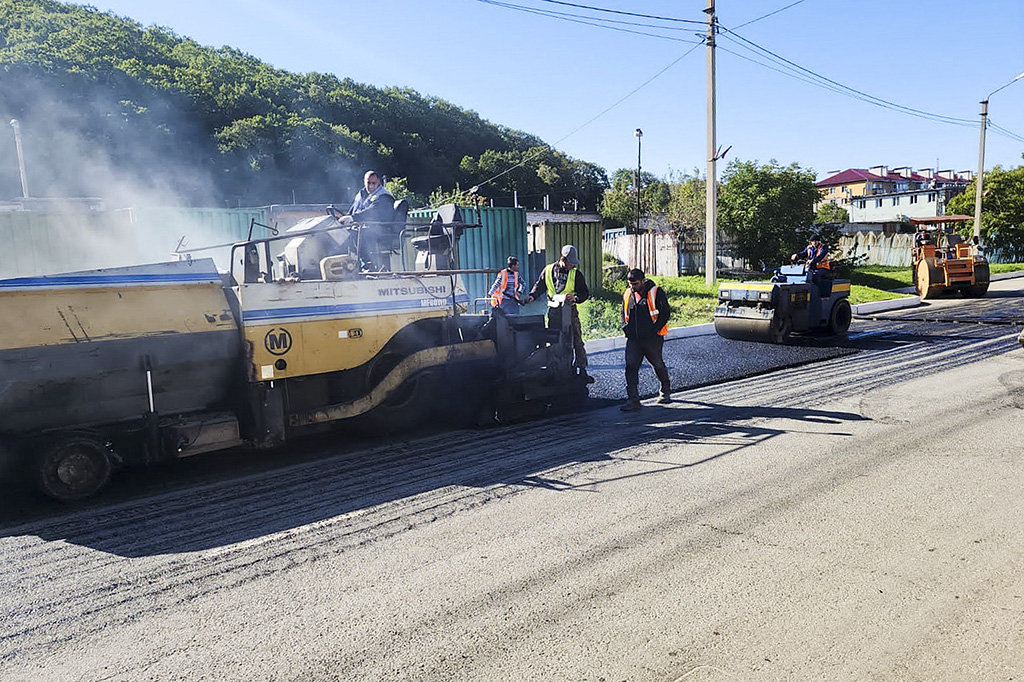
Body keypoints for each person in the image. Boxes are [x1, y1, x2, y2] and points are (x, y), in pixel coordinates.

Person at [524, 245, 591, 380]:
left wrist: (575, 298)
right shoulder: (548, 271)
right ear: (562, 259)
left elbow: (584, 293)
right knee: (555, 340)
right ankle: (556, 368)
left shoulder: (576, 274)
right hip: (554, 311)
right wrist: (532, 296)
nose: (572, 265)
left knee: (576, 340)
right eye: (570, 262)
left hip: (570, 311)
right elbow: (539, 286)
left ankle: (581, 368)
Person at [619, 268, 672, 412]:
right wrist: (625, 327)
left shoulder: (656, 292)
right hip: (633, 339)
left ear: (643, 281)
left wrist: (654, 330)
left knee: (657, 363)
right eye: (630, 284)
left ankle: (665, 390)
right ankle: (633, 399)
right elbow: (623, 313)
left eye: (635, 284)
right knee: (630, 367)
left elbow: (665, 313)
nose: (632, 287)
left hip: (652, 339)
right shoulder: (628, 293)